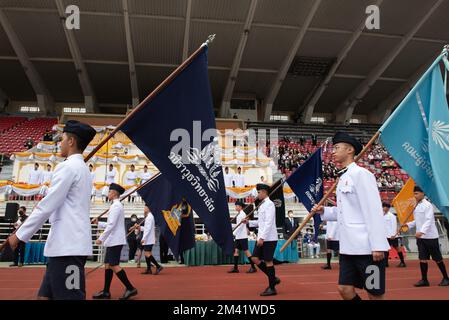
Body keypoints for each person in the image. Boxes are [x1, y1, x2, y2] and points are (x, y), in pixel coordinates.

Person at [8, 120, 96, 300]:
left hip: (67, 248)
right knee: (44, 296)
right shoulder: (82, 169)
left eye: (62, 138)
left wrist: (20, 234)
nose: (59, 142)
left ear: (71, 141)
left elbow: (46, 205)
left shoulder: (69, 167)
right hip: (62, 247)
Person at [313, 132, 390, 300]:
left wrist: (377, 245)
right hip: (348, 248)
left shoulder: (362, 175)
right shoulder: (343, 177)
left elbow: (373, 210)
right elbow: (345, 211)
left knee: (374, 292)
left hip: (367, 248)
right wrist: (324, 211)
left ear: (349, 150)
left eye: (337, 148)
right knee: (344, 289)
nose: (333, 152)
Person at [92, 183, 138, 300]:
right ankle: (106, 292)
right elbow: (110, 224)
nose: (108, 194)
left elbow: (111, 225)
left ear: (113, 193)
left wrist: (101, 238)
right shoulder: (115, 205)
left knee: (113, 265)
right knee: (108, 265)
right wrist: (99, 223)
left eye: (109, 192)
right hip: (113, 240)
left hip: (115, 241)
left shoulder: (116, 206)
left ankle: (130, 288)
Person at [405, 186, 449, 287]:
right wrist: (408, 225)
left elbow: (429, 220)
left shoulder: (428, 205)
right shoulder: (416, 206)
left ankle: (446, 278)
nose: (414, 195)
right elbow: (418, 221)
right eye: (414, 193)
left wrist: (422, 231)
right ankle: (424, 280)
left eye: (416, 193)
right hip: (421, 238)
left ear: (422, 193)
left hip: (430, 237)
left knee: (438, 258)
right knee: (422, 258)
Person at [243, 184, 280, 296]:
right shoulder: (262, 205)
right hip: (262, 237)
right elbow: (261, 222)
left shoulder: (269, 205)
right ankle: (273, 278)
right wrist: (249, 222)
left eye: (259, 192)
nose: (257, 194)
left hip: (269, 238)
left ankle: (272, 288)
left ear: (264, 192)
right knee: (254, 258)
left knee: (268, 261)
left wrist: (262, 237)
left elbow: (269, 223)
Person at [228, 201, 257, 274]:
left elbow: (240, 226)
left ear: (240, 207)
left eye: (237, 206)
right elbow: (238, 225)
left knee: (246, 251)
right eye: (235, 206)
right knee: (236, 251)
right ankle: (235, 268)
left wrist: (233, 233)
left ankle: (253, 267)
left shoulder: (242, 214)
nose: (235, 207)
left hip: (242, 236)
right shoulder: (239, 214)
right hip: (239, 236)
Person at [141, 205, 163, 275]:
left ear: (148, 208)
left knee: (147, 254)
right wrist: (140, 228)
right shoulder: (149, 216)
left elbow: (148, 229)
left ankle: (158, 266)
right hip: (148, 238)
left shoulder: (149, 217)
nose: (144, 209)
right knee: (147, 253)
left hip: (148, 239)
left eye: (145, 207)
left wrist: (143, 238)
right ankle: (148, 269)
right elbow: (146, 228)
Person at [383, 202, 406, 268]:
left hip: (392, 236)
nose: (385, 208)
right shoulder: (381, 215)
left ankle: (402, 262)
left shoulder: (392, 216)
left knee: (397, 248)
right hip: (386, 235)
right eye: (384, 207)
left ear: (389, 208)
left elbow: (394, 225)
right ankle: (386, 263)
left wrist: (393, 235)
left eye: (386, 207)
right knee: (386, 249)